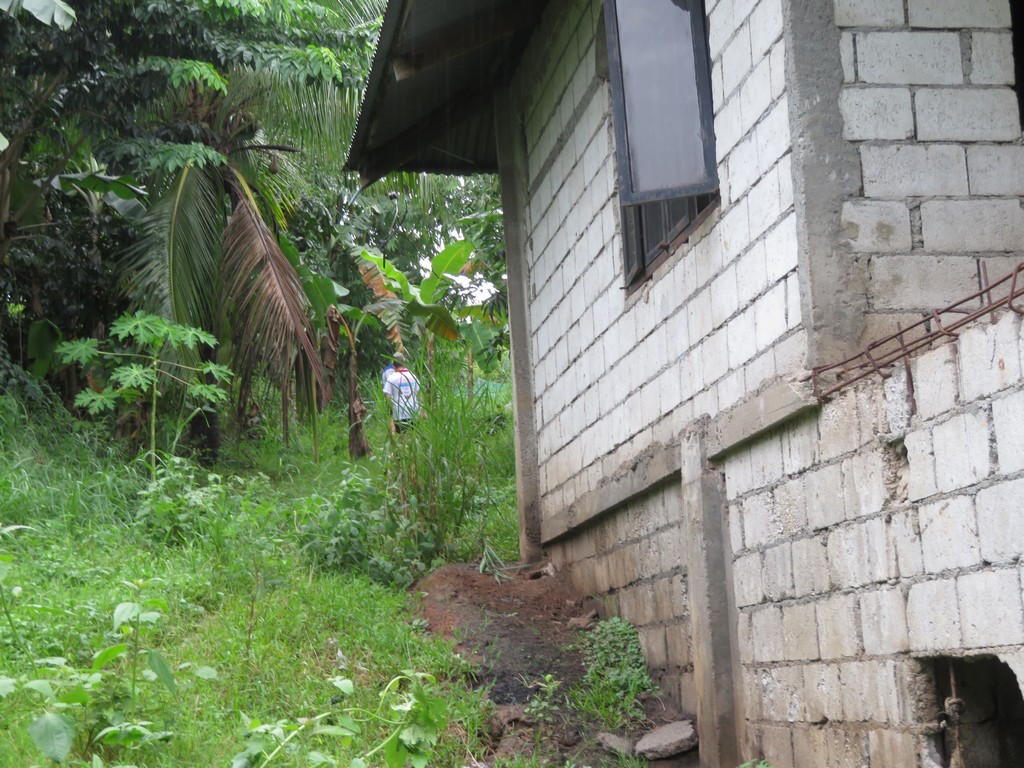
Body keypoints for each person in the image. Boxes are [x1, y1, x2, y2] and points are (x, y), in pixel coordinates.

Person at [382, 355, 420, 432]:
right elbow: (418, 393)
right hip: (413, 412)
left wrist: (390, 412)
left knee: (401, 435)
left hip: (399, 413)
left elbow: (387, 395)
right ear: (404, 365)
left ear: (394, 367)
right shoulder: (413, 376)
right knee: (412, 434)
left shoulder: (391, 378)